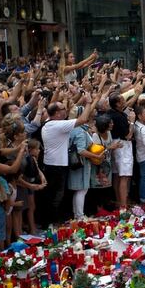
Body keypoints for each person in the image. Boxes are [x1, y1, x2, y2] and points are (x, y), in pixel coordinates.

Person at [41, 92, 103, 224]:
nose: (66, 111)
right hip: (56, 166)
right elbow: (82, 119)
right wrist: (87, 102)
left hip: (52, 164)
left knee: (55, 196)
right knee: (56, 197)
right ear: (57, 113)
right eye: (63, 109)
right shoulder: (57, 125)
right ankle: (51, 224)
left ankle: (52, 222)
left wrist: (66, 98)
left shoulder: (48, 122)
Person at [67, 106, 102, 219]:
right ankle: (79, 216)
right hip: (81, 164)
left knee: (80, 190)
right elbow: (81, 150)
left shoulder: (79, 129)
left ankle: (77, 214)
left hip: (82, 164)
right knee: (81, 190)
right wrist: (96, 155)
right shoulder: (79, 131)